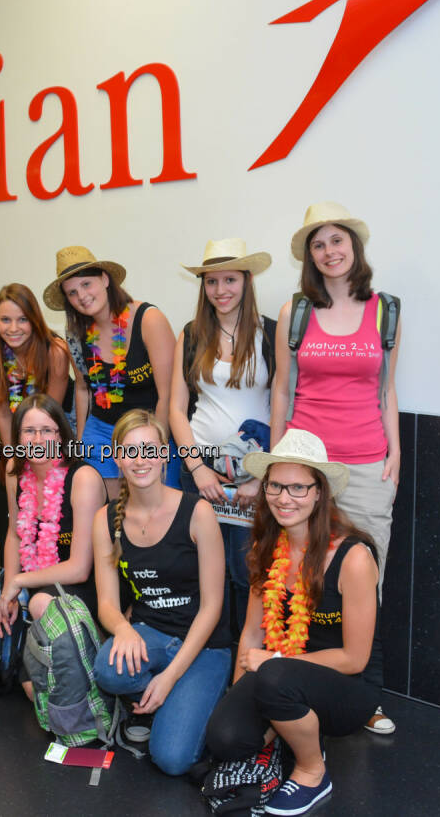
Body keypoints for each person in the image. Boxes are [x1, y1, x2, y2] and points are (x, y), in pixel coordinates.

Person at [270, 201, 400, 734]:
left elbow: (387, 389)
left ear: (354, 246)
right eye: (318, 244)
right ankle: (295, 681)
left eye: (337, 240)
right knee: (298, 573)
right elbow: (281, 389)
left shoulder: (386, 311)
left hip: (368, 464)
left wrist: (395, 453)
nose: (329, 251)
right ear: (310, 256)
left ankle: (364, 696)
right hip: (307, 465)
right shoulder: (295, 312)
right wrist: (277, 463)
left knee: (367, 581)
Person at [204, 429, 382, 816]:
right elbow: (253, 633)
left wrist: (274, 664)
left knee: (274, 677)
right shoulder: (267, 547)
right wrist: (241, 693)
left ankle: (312, 771)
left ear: (320, 493)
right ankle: (291, 728)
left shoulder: (353, 558)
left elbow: (355, 658)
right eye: (276, 486)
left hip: (346, 688)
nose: (285, 498)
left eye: (299, 488)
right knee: (225, 739)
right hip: (279, 675)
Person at [91, 409, 229, 777]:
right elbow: (107, 603)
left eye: (150, 450)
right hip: (151, 633)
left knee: (171, 759)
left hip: (204, 644)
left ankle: (186, 698)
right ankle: (170, 702)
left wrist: (168, 679)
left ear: (165, 454)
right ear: (117, 458)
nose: (141, 460)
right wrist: (123, 629)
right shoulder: (105, 519)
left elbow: (213, 607)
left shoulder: (198, 512)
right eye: (130, 451)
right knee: (107, 670)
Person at [170, 238, 274, 634]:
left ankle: (245, 657)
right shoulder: (191, 334)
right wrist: (197, 469)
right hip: (201, 469)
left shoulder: (271, 333)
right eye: (212, 281)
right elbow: (176, 409)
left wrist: (263, 475)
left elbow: (285, 405)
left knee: (249, 570)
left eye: (230, 279)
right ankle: (210, 653)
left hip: (255, 470)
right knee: (205, 569)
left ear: (247, 281)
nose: (220, 290)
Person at [0, 394, 106, 694]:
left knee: (41, 604)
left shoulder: (83, 478)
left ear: (62, 434)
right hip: (37, 579)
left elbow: (80, 568)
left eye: (47, 430)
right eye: (29, 431)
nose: (38, 440)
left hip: (88, 585)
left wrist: (18, 582)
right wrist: (9, 592)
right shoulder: (15, 470)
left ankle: (89, 679)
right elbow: (14, 534)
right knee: (30, 689)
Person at [44, 246, 176, 500]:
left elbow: (167, 394)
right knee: (110, 509)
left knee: (156, 506)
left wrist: (156, 447)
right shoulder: (75, 332)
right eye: (72, 292)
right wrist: (81, 443)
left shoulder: (149, 320)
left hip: (151, 430)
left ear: (105, 279)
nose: (82, 296)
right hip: (102, 430)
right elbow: (82, 388)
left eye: (86, 284)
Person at [0, 283, 71, 446]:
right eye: (5, 320)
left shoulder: (56, 351)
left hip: (59, 425)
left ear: (34, 320)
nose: (13, 328)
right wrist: (13, 456)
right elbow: (3, 412)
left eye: (23, 319)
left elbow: (50, 417)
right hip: (20, 428)